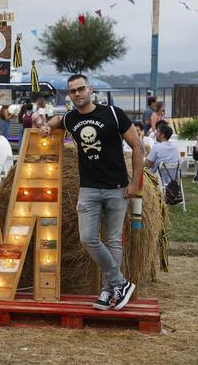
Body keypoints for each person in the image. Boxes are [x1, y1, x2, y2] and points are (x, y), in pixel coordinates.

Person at [40, 74, 143, 312]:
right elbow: (58, 119)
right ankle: (120, 283)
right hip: (88, 188)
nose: (77, 94)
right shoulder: (71, 118)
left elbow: (137, 146)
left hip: (117, 187)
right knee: (87, 238)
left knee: (114, 240)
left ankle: (109, 292)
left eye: (80, 89)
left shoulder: (113, 114)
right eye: (72, 91)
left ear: (90, 89)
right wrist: (48, 125)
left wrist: (135, 182)